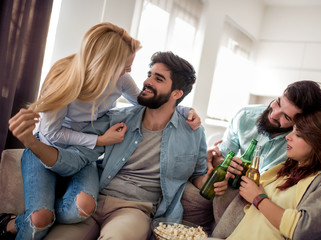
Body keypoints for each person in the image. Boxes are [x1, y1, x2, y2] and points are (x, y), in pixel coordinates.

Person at [0, 23, 200, 240]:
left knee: (81, 207)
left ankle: (39, 218)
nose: (131, 72)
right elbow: (52, 134)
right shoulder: (64, 77)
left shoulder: (120, 79)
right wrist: (99, 140)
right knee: (40, 219)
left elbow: (145, 101)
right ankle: (19, 222)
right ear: (107, 63)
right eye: (126, 65)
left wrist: (181, 107)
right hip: (48, 148)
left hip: (81, 155)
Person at [181, 80, 321, 236]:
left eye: (287, 117)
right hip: (237, 191)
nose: (274, 114)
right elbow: (220, 155)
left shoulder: (301, 147)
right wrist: (222, 162)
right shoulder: (245, 116)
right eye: (278, 103)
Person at [226, 110, 321, 239]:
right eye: (292, 130)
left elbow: (303, 229)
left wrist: (259, 199)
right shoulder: (286, 168)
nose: (288, 137)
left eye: (299, 134)